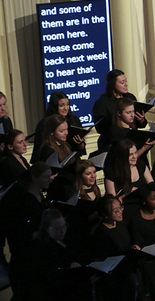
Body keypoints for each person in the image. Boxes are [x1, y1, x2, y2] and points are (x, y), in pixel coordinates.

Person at [1, 162, 52, 300]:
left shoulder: (41, 197)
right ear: (35, 178)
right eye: (46, 177)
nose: (50, 179)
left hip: (37, 255)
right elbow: (20, 234)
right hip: (26, 260)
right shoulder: (24, 202)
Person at [33, 208, 92, 301]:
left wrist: (79, 263)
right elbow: (51, 278)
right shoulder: (42, 249)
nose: (63, 231)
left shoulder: (67, 239)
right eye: (57, 228)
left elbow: (85, 254)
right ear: (47, 229)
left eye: (64, 226)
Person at [91, 194, 139, 301]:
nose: (120, 212)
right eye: (115, 210)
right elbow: (106, 257)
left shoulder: (120, 223)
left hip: (127, 271)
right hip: (114, 278)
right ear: (105, 215)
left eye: (120, 208)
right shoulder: (101, 233)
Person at [93, 69, 147, 148]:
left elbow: (141, 124)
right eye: (122, 83)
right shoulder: (102, 103)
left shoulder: (130, 97)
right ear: (112, 85)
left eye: (126, 81)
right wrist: (118, 119)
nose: (126, 84)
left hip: (132, 140)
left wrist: (141, 120)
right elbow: (100, 128)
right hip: (112, 142)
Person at [31, 91, 83, 163]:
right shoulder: (45, 124)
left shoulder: (74, 120)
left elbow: (80, 150)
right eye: (61, 105)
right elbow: (40, 150)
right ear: (55, 106)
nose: (65, 108)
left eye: (67, 105)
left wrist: (80, 144)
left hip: (72, 159)